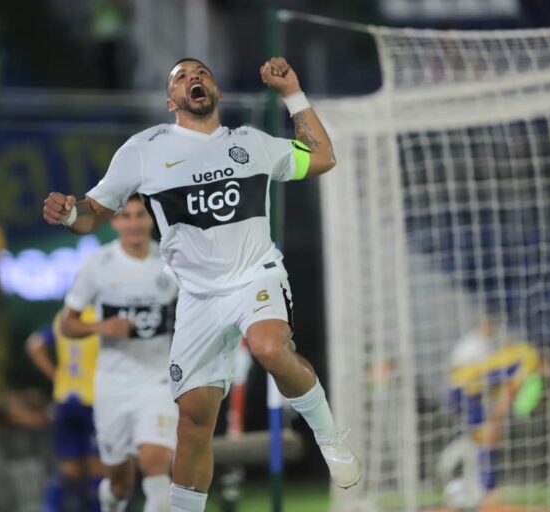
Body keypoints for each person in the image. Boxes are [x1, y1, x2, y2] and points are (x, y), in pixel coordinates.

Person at [43, 56, 362, 511]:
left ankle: (329, 436)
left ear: (217, 92)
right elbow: (93, 212)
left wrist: (292, 93)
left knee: (270, 347)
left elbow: (323, 157)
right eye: (181, 77)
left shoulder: (250, 143)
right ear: (170, 99)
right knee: (193, 424)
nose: (193, 79)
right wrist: (70, 212)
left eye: (202, 74)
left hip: (256, 276)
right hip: (197, 298)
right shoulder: (143, 150)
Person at [61, 195, 179, 512]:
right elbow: (66, 325)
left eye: (140, 215)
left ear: (151, 219)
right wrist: (101, 327)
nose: (134, 223)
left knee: (156, 466)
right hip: (113, 384)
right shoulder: (98, 265)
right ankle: (111, 500)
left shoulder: (170, 261)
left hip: (157, 381)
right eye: (126, 216)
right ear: (114, 221)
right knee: (120, 483)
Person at [441, 316, 544, 508]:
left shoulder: (520, 354)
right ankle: (481, 487)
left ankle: (476, 485)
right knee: (488, 436)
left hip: (465, 389)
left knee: (484, 437)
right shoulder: (527, 361)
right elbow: (508, 391)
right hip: (466, 391)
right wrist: (496, 415)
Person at [27, 309, 104, 512]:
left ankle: (49, 507)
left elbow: (34, 345)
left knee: (69, 471)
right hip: (93, 401)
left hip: (64, 401)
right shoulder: (101, 317)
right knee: (98, 471)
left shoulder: (62, 318)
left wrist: (57, 376)